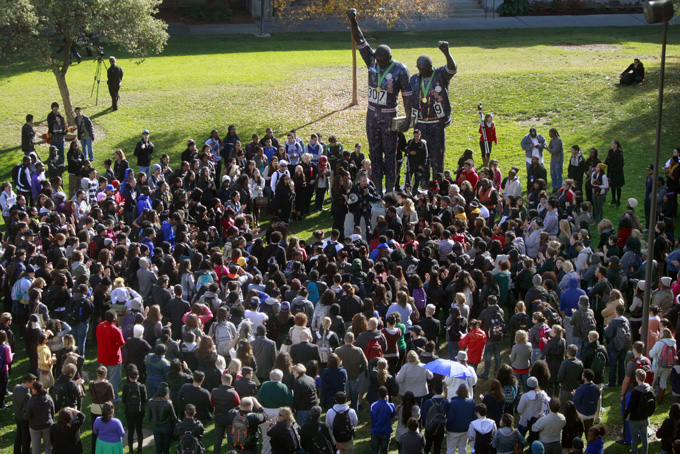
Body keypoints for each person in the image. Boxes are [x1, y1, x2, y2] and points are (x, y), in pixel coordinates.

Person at [347, 8, 413, 194]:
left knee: (390, 153)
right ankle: (376, 188)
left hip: (389, 114)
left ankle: (390, 188)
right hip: (372, 114)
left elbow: (407, 96)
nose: (378, 63)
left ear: (389, 59)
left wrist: (408, 119)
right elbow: (360, 40)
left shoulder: (400, 70)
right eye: (377, 60)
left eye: (382, 61)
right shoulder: (372, 60)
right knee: (374, 153)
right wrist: (353, 20)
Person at [408, 41, 457, 179]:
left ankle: (437, 182)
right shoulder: (414, 79)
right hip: (420, 123)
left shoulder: (440, 75)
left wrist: (446, 52)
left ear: (430, 66)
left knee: (437, 154)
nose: (420, 71)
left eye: (423, 68)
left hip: (436, 123)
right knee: (421, 155)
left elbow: (452, 69)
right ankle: (422, 183)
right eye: (419, 68)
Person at [96, 310, 125, 402]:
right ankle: (114, 397)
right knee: (114, 379)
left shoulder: (99, 326)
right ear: (114, 318)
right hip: (113, 357)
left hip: (102, 355)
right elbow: (121, 344)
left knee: (101, 376)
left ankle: (101, 394)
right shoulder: (116, 330)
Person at [624, 368, 654, 454]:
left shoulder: (636, 392)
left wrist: (626, 415)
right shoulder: (650, 389)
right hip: (645, 417)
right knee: (645, 438)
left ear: (637, 378)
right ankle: (645, 452)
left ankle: (635, 452)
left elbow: (631, 406)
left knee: (634, 439)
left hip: (635, 419)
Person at [212, 373, 242, 454]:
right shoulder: (233, 393)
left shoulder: (214, 391)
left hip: (218, 417)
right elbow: (238, 404)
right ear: (231, 381)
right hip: (230, 418)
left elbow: (212, 403)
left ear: (221, 380)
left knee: (217, 439)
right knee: (230, 439)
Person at [121, 365, 147, 454]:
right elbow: (145, 400)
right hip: (139, 411)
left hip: (129, 411)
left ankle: (131, 450)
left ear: (129, 377)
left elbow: (123, 400)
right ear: (138, 376)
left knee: (131, 430)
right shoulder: (142, 386)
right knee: (139, 430)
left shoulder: (126, 387)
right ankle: (139, 448)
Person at [147, 382, 177, 454]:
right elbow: (174, 418)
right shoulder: (168, 403)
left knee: (158, 449)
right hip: (167, 428)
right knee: (166, 449)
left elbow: (148, 417)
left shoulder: (151, 402)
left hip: (156, 427)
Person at [447, 384, 476, 454]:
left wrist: (447, 425)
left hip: (453, 430)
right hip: (466, 429)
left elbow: (450, 417)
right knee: (463, 448)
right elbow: (474, 417)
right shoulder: (471, 403)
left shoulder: (453, 403)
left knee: (451, 449)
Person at [14, 373, 37, 454]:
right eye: (33, 383)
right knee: (26, 439)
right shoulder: (27, 395)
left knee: (18, 436)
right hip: (23, 419)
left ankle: (16, 451)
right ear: (28, 383)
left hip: (17, 416)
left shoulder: (16, 387)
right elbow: (27, 410)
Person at [370, 386, 396, 454]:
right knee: (384, 451)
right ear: (387, 394)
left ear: (377, 394)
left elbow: (371, 416)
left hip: (375, 431)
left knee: (375, 450)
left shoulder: (373, 405)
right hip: (386, 432)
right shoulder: (391, 406)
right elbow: (392, 416)